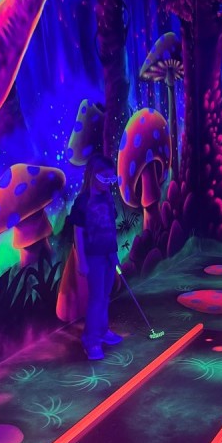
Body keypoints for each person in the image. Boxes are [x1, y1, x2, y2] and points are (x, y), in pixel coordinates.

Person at [68, 153, 123, 360]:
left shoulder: (107, 197)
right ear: (93, 175)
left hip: (108, 255)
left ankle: (102, 330)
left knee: (105, 296)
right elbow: (78, 232)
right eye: (105, 177)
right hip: (93, 257)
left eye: (111, 178)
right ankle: (91, 340)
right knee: (96, 298)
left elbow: (111, 228)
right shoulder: (83, 201)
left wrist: (115, 253)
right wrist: (82, 260)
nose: (108, 182)